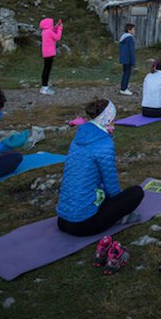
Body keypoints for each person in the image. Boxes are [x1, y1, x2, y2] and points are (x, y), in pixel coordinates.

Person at [56, 99, 144, 236]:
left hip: (62, 220)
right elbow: (111, 184)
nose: (115, 122)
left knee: (94, 188)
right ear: (108, 119)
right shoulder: (104, 143)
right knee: (136, 192)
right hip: (83, 224)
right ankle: (116, 219)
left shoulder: (80, 135)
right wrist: (119, 207)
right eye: (113, 119)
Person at [39, 17, 63, 95]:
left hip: (46, 53)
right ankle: (44, 88)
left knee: (46, 69)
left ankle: (44, 86)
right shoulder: (49, 31)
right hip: (49, 53)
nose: (52, 25)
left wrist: (56, 27)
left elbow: (52, 32)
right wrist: (60, 28)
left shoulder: (45, 31)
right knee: (47, 70)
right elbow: (57, 37)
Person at [118, 23, 137, 95]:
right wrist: (133, 61)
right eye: (133, 29)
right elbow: (131, 51)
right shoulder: (130, 38)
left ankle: (123, 87)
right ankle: (124, 89)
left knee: (125, 73)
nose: (134, 31)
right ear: (129, 30)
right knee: (127, 74)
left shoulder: (123, 37)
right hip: (128, 59)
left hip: (123, 59)